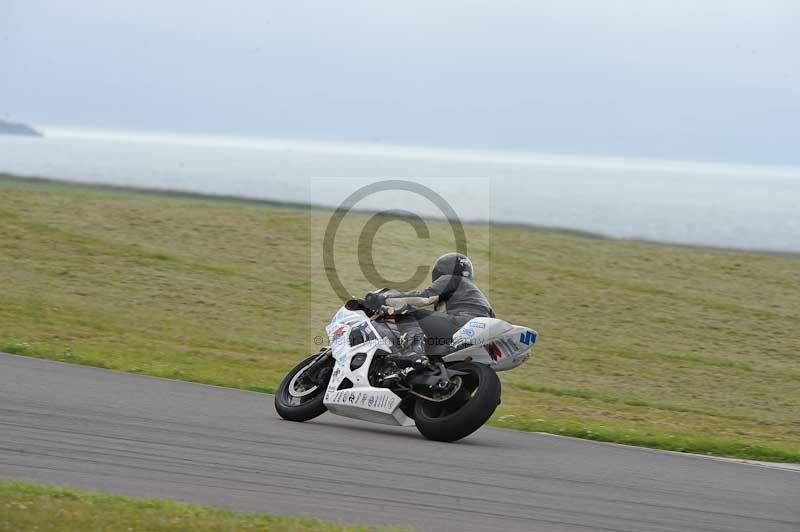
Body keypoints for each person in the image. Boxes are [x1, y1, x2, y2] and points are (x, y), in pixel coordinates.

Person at [365, 252, 495, 367]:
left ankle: (414, 350)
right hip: (481, 335)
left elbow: (425, 297)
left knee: (404, 309)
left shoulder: (452, 279)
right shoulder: (472, 294)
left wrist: (383, 299)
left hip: (461, 323)